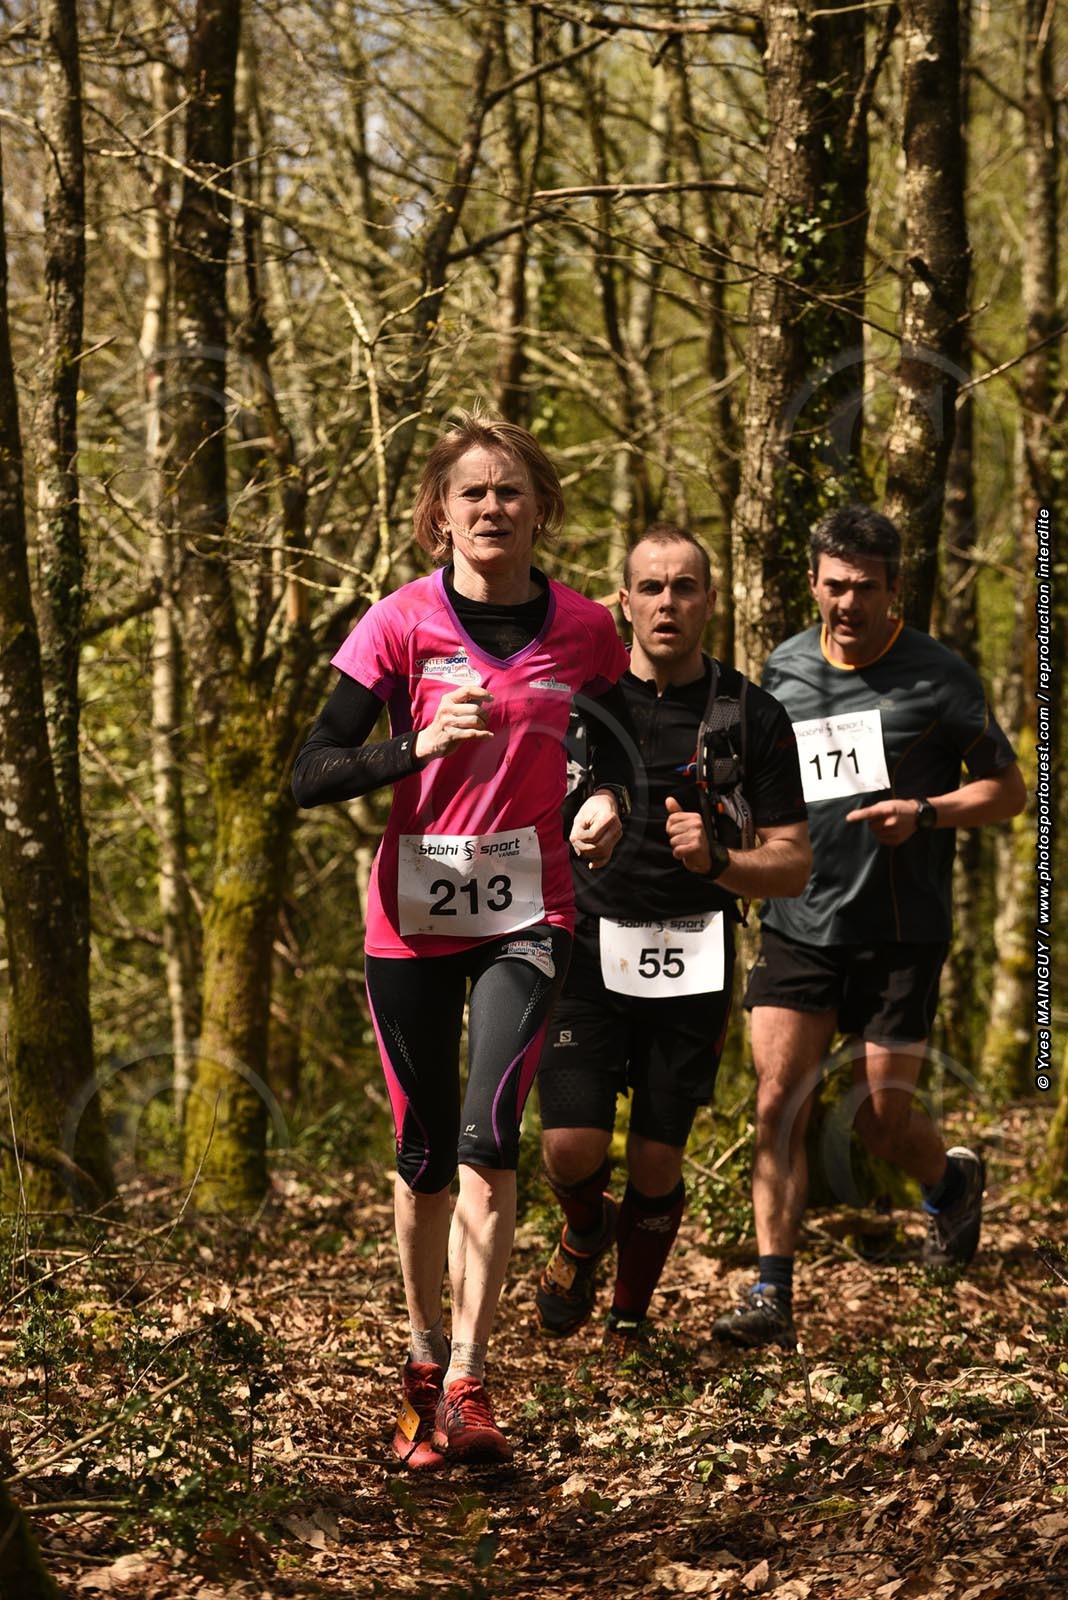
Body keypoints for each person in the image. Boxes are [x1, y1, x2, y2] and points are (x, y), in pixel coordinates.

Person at [292, 412, 633, 1466]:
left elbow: (620, 747)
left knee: (490, 1137)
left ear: (542, 509)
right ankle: (421, 1363)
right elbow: (311, 771)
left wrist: (607, 800)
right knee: (426, 1152)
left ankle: (472, 1384)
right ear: (439, 514)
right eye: (472, 492)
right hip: (411, 917)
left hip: (529, 913)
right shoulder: (397, 623)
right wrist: (415, 743)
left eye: (510, 490)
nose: (492, 507)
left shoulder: (588, 630)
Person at [712, 504, 1027, 1350]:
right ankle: (772, 1291)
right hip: (799, 919)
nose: (848, 603)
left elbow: (1008, 791)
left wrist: (924, 812)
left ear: (894, 589)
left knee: (880, 1121)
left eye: (865, 588)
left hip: (900, 928)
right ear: (814, 583)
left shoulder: (939, 675)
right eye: (835, 586)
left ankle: (950, 1186)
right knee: (778, 1101)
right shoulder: (782, 667)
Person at [534, 524, 810, 1354]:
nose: (667, 603)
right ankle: (585, 1230)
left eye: (684, 587)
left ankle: (628, 1318)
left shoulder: (751, 714)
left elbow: (794, 864)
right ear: (623, 602)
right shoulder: (581, 705)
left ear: (710, 601)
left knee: (657, 1162)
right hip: (586, 945)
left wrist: (719, 861)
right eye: (650, 588)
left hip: (692, 954)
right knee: (569, 1146)